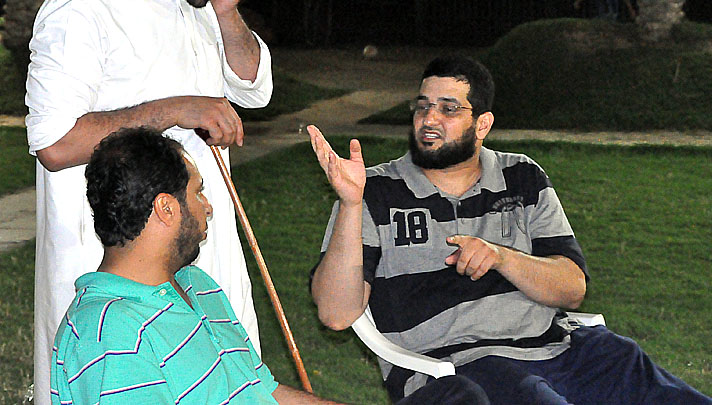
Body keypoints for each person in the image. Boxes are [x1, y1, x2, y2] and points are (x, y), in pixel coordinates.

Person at [308, 55, 712, 404]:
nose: (429, 120)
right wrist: (350, 203)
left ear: (482, 124)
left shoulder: (520, 176)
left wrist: (502, 257)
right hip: (458, 365)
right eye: (422, 107)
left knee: (655, 384)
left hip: (557, 346)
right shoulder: (376, 191)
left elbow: (571, 289)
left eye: (449, 109)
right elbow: (336, 314)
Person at [26, 0, 280, 402]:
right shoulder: (85, 3)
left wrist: (228, 8)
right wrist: (173, 109)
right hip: (113, 277)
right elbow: (54, 143)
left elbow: (254, 86)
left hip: (202, 260)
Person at [51, 127, 490, 405]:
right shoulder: (109, 334)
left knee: (459, 395)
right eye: (198, 194)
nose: (207, 208)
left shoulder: (194, 285)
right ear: (166, 209)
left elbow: (262, 392)